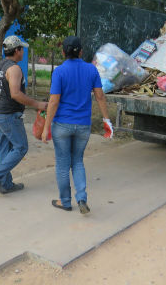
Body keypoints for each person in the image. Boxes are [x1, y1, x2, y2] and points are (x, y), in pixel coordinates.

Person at [41, 36, 113, 214]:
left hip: (62, 125)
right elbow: (100, 97)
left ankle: (65, 201)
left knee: (63, 164)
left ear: (63, 52)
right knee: (78, 161)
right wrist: (106, 120)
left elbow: (54, 102)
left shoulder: (59, 72)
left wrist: (46, 127)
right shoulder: (91, 70)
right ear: (81, 52)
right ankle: (81, 198)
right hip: (82, 126)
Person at [0, 35, 48, 194]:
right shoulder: (14, 69)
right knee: (21, 147)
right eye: (22, 49)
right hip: (9, 115)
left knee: (5, 149)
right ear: (17, 50)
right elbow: (15, 94)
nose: (23, 52)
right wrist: (37, 104)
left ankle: (6, 184)